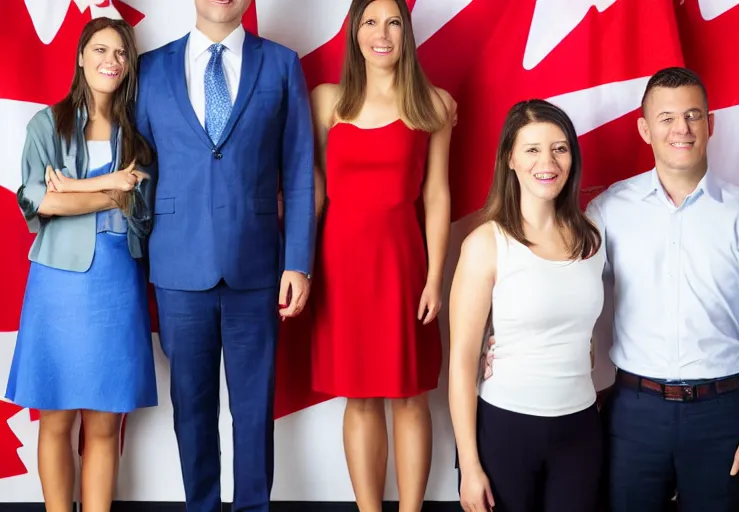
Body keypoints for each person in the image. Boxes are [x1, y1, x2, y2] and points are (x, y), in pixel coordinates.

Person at [134, 0, 315, 509]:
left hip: (257, 268)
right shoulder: (150, 69)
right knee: (190, 409)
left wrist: (297, 261)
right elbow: (137, 168)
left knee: (254, 410)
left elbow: (300, 171)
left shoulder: (281, 65)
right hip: (176, 266)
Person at [586, 66, 739, 512]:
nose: (681, 129)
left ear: (711, 124)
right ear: (645, 129)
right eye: (666, 118)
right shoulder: (608, 209)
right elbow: (565, 292)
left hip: (722, 413)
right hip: (633, 412)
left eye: (692, 115)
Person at [6, 17, 157, 512]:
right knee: (55, 417)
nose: (110, 61)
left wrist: (71, 186)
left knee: (104, 421)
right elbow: (38, 202)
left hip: (117, 284)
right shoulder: (46, 124)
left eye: (120, 53)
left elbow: (140, 207)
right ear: (80, 56)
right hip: (57, 287)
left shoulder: (139, 133)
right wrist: (106, 189)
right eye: (100, 50)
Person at [308, 0, 455, 509]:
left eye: (393, 21)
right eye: (370, 21)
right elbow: (316, 189)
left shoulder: (434, 105)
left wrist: (436, 275)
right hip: (341, 265)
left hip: (402, 263)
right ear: (354, 32)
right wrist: (299, 263)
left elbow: (437, 194)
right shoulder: (327, 101)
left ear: (406, 32)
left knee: (411, 394)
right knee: (360, 394)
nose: (382, 32)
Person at [449, 99, 604, 512]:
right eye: (532, 149)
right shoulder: (486, 244)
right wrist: (469, 465)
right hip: (506, 427)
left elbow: (580, 327)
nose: (547, 161)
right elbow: (463, 362)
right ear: (510, 159)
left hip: (580, 427)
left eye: (560, 147)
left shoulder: (593, 239)